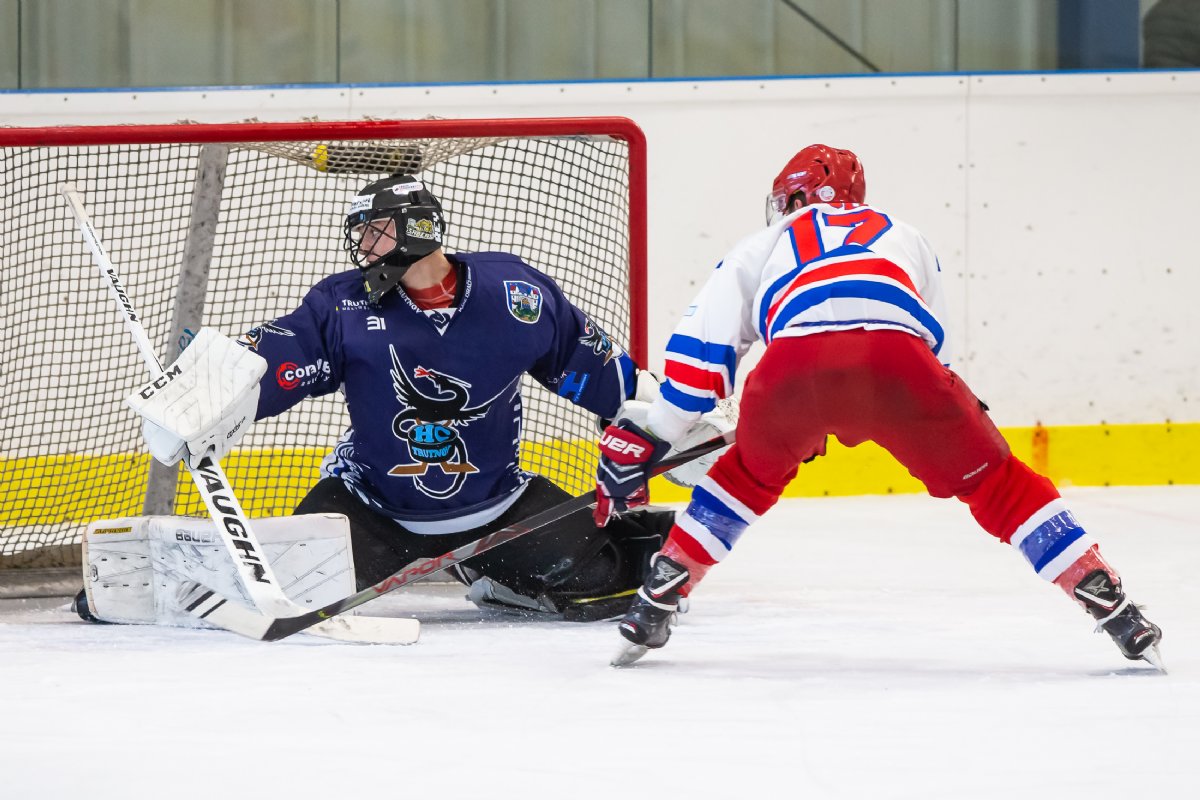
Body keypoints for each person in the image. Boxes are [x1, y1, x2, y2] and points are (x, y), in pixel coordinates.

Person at [594, 145, 1165, 668]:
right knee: (999, 483)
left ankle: (658, 596)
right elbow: (933, 343)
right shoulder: (905, 235)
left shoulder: (761, 245)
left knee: (743, 478)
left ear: (798, 197)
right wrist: (909, 402)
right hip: (900, 364)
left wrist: (661, 429)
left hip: (792, 370)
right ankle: (1106, 597)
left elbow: (701, 351)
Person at [94, 174, 677, 624]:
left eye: (374, 231)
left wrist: (663, 417)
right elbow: (283, 355)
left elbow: (592, 365)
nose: (364, 247)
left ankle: (493, 568)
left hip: (496, 510)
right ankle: (155, 572)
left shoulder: (514, 294)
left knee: (602, 584)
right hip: (372, 510)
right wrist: (214, 388)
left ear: (417, 228)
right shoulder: (343, 304)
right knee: (289, 589)